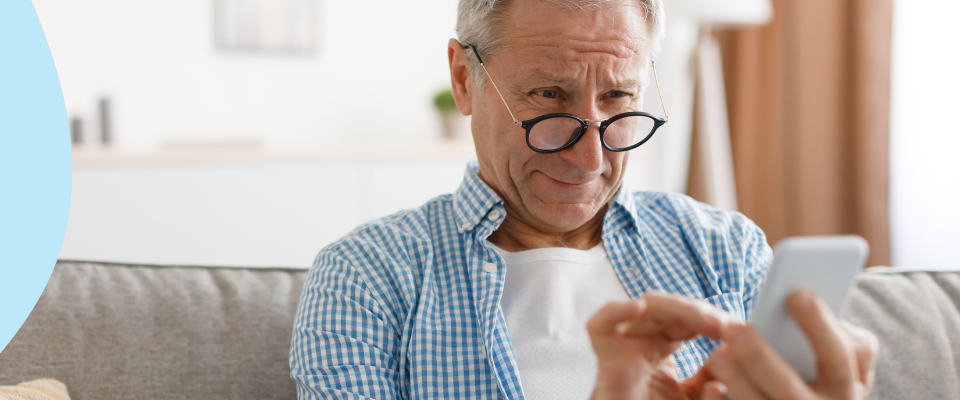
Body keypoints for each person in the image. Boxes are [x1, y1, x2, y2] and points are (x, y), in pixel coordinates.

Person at [290, 0, 879, 398]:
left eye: (620, 100)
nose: (592, 160)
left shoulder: (725, 249)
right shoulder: (366, 277)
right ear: (465, 79)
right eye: (549, 96)